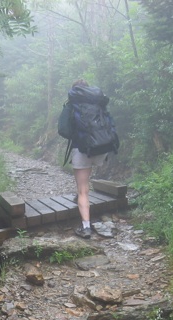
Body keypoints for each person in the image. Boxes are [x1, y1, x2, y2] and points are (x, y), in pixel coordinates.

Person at [66, 79, 116, 239]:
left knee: (83, 189)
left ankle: (86, 227)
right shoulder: (98, 103)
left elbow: (63, 129)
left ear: (75, 91)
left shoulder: (73, 105)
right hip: (101, 148)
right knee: (85, 183)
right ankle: (81, 199)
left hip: (82, 149)